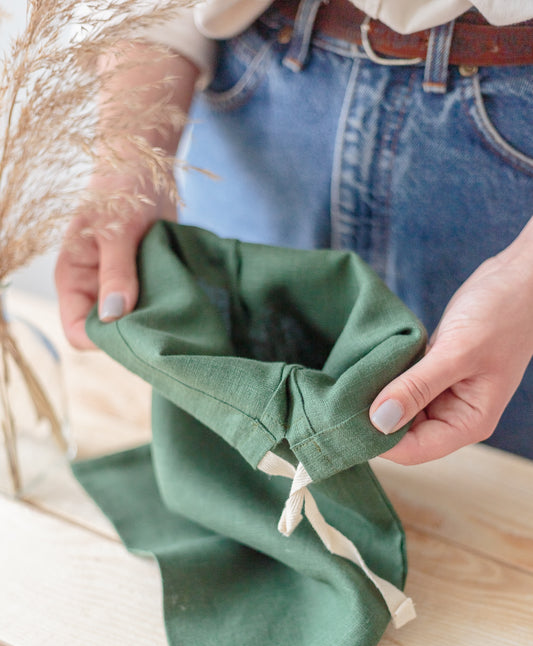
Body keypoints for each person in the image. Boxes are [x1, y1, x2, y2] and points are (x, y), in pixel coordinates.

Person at [55, 0, 533, 464]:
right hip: (258, 79)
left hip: (510, 143)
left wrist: (523, 281)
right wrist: (131, 154)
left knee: (493, 493)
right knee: (227, 451)